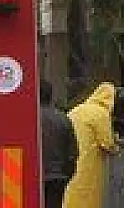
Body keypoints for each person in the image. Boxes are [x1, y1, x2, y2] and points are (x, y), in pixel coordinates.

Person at [63, 82, 118, 208]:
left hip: (71, 161)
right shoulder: (101, 113)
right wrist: (116, 149)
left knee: (71, 192)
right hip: (89, 163)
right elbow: (107, 143)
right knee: (88, 194)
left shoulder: (77, 109)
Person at [40, 79, 77, 208]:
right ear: (51, 96)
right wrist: (68, 174)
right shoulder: (63, 118)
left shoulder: (28, 118)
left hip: (34, 175)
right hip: (57, 176)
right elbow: (73, 152)